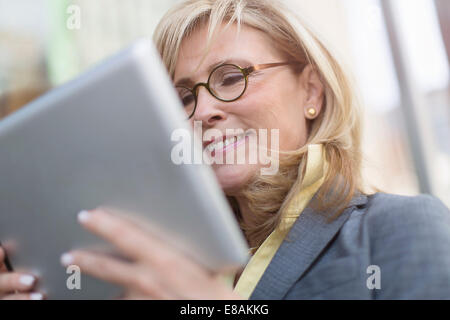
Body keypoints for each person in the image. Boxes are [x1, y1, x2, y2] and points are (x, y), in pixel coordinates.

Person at [1, 0, 450, 300]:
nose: (203, 112)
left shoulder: (400, 229)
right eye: (182, 98)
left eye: (232, 77)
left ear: (311, 91)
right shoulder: (150, 261)